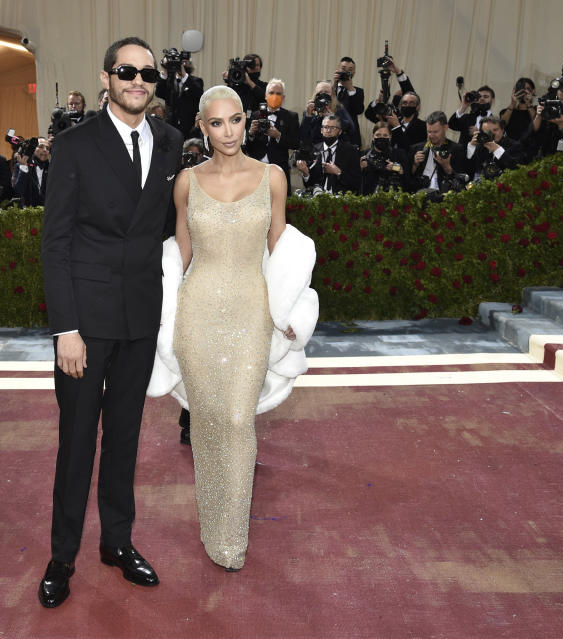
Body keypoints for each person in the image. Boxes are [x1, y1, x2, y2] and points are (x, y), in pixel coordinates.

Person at [38, 36, 183, 609]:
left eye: (148, 73)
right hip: (86, 324)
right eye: (127, 71)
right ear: (106, 79)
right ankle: (62, 554)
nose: (138, 80)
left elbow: (170, 229)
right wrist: (65, 328)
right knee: (76, 443)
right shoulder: (74, 145)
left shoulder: (171, 143)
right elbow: (56, 243)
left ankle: (117, 542)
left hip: (139, 317)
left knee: (124, 438)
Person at [157, 84, 315, 571]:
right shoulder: (185, 181)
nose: (229, 131)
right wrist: (155, 312)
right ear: (203, 128)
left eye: (237, 120)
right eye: (217, 122)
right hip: (197, 310)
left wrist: (287, 312)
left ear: (247, 122)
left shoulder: (272, 177)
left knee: (236, 421)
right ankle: (215, 529)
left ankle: (233, 536)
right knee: (206, 425)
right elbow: (180, 256)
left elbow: (279, 252)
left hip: (250, 310)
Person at [243, 78, 300, 193]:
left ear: (283, 97)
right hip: (256, 169)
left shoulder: (291, 116)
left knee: (279, 206)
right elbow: (246, 147)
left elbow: (295, 143)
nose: (274, 96)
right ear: (265, 95)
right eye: (271, 93)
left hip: (279, 169)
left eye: (278, 94)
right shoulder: (254, 115)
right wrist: (251, 133)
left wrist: (279, 135)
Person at [296, 114, 361, 194]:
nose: (328, 131)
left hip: (341, 199)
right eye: (326, 127)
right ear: (321, 130)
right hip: (317, 198)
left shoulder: (351, 151)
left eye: (333, 128)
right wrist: (305, 173)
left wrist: (338, 172)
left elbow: (357, 182)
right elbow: (309, 184)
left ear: (340, 131)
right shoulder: (313, 150)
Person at [409, 111, 467, 192]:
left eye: (436, 132)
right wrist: (414, 165)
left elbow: (460, 181)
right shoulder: (416, 148)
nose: (431, 136)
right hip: (419, 194)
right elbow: (407, 179)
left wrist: (447, 167)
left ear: (446, 128)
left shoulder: (456, 149)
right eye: (429, 132)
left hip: (443, 196)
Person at [156, 56, 204, 137]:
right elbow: (159, 93)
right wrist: (165, 70)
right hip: (171, 127)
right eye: (182, 63)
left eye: (186, 62)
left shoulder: (196, 81)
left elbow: (199, 94)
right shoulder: (169, 82)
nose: (184, 64)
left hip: (190, 129)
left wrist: (184, 75)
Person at [464, 116, 522, 182]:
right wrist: (471, 147)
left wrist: (498, 150)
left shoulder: (515, 145)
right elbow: (468, 170)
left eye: (495, 130)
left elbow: (517, 168)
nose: (492, 134)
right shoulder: (480, 146)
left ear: (502, 130)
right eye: (488, 132)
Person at [359, 122, 409, 194]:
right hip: (368, 198)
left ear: (390, 137)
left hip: (393, 198)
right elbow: (355, 180)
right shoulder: (363, 154)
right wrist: (360, 168)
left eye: (385, 135)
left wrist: (397, 168)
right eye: (378, 135)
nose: (381, 138)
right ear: (373, 136)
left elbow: (407, 180)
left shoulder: (399, 154)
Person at [13, 137, 50, 207]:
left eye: (47, 148)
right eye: (41, 147)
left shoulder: (52, 169)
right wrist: (24, 167)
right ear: (33, 149)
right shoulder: (20, 166)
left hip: (49, 212)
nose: (45, 150)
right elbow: (18, 192)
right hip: (27, 213)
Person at [500, 78, 536, 143]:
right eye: (521, 89)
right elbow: (502, 125)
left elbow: (537, 125)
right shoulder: (508, 111)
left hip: (530, 149)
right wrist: (512, 103)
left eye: (527, 89)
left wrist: (528, 103)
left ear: (533, 91)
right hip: (511, 149)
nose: (524, 92)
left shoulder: (537, 111)